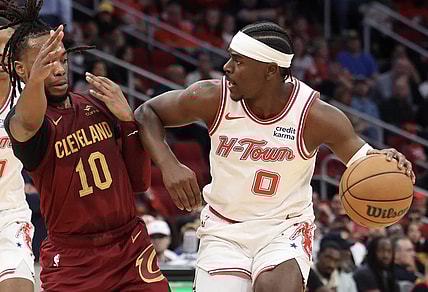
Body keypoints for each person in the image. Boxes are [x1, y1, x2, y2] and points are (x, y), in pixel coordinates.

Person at [134, 21, 415, 292]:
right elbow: (147, 113)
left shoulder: (316, 116)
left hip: (284, 227)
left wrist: (387, 162)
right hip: (223, 227)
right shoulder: (212, 97)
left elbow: (366, 163)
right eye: (230, 58)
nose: (227, 68)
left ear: (270, 70)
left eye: (239, 61)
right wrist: (169, 165)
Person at [2, 0, 169, 291]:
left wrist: (129, 122)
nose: (56, 70)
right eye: (45, 62)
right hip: (72, 259)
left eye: (61, 60)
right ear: (21, 69)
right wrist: (36, 74)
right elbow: (28, 116)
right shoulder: (25, 122)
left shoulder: (96, 106)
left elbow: (139, 182)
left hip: (128, 248)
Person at [0, 17, 35, 292]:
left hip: (9, 214)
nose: (2, 55)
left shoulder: (28, 98)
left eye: (8, 48)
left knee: (19, 287)